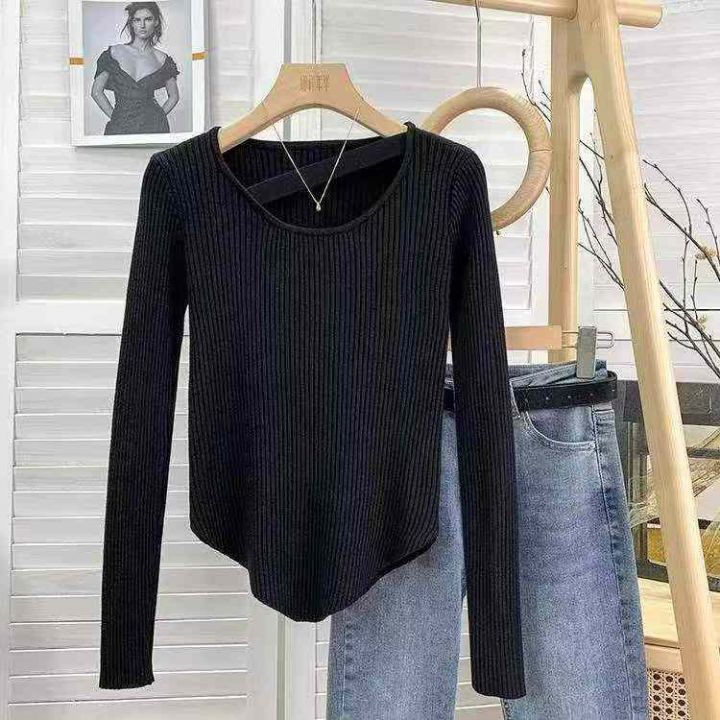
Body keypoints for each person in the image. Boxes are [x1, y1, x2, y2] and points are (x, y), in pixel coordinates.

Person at [91, 2, 180, 135]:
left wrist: (157, 118)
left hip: (154, 129)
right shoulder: (114, 53)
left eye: (148, 19)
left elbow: (174, 96)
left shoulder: (162, 59)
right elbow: (96, 92)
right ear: (131, 23)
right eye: (137, 20)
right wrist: (116, 119)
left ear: (156, 22)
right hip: (119, 127)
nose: (142, 25)